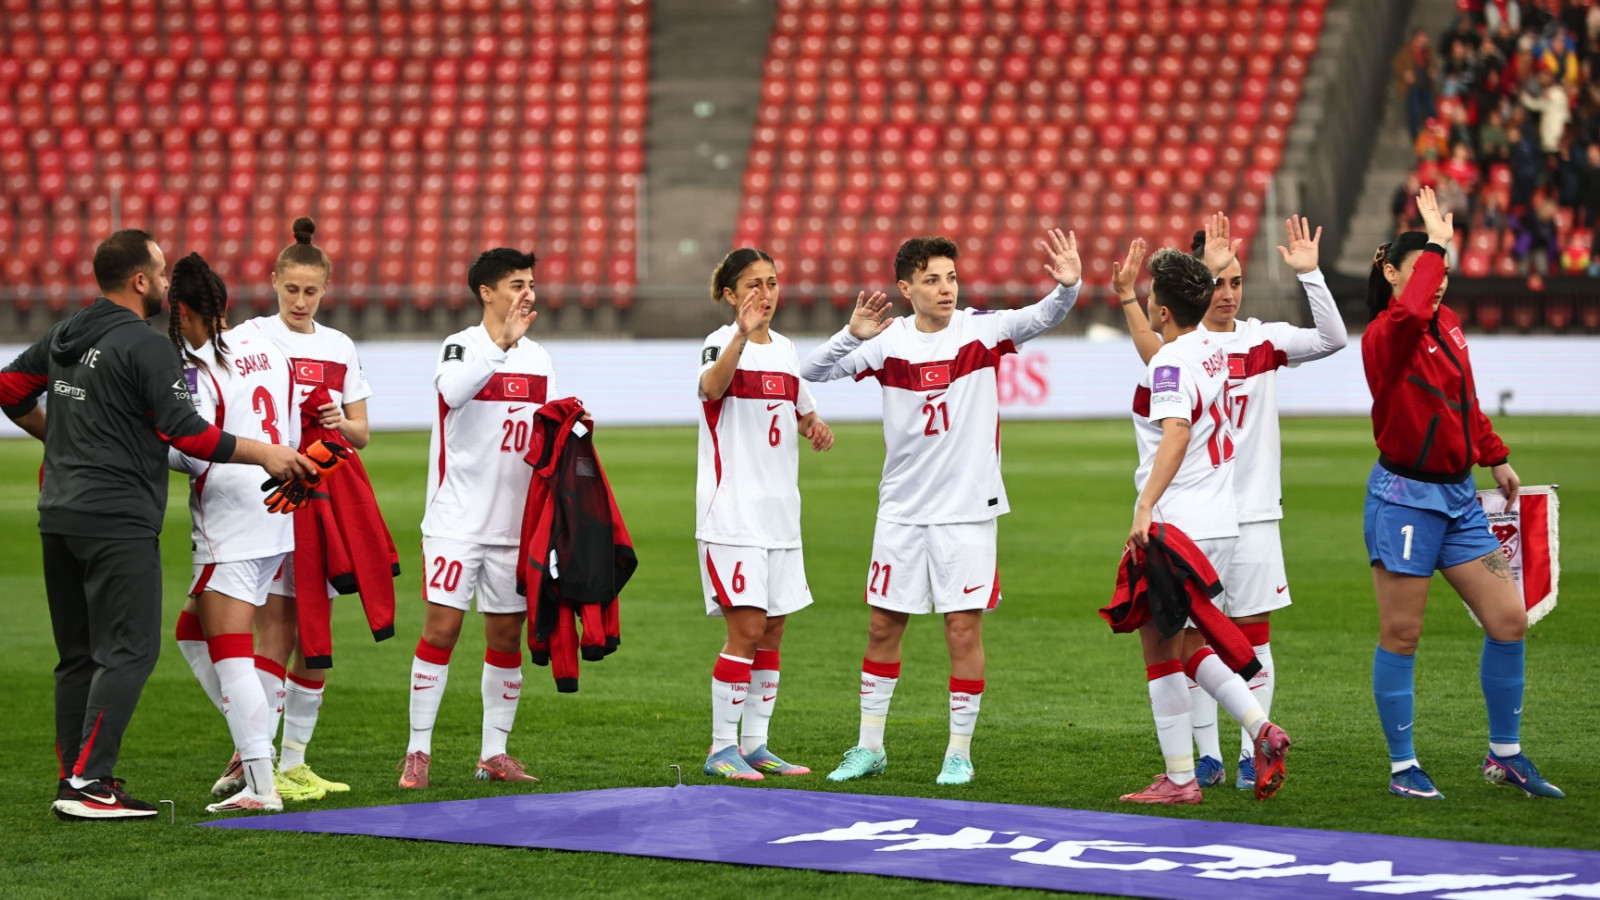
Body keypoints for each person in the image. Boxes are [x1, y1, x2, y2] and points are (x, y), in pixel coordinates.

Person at [0, 229, 311, 820]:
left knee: (78, 655)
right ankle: (90, 784)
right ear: (140, 281)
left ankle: (76, 775)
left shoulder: (67, 332)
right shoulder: (146, 347)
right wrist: (265, 452)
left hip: (59, 513)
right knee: (131, 650)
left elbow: (10, 388)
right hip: (116, 519)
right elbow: (187, 433)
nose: (168, 285)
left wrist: (59, 440)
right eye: (162, 273)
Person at [801, 230, 1081, 786]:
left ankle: (958, 752)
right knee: (883, 627)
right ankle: (869, 747)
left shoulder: (982, 329)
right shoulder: (888, 341)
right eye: (932, 279)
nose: (946, 288)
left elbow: (1042, 315)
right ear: (906, 287)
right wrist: (848, 335)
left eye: (951, 277)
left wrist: (1068, 286)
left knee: (961, 630)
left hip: (968, 512)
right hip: (901, 510)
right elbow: (812, 372)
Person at [1117, 213, 1346, 791]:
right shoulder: (1209, 353)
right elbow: (1162, 343)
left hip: (1197, 517)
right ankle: (1232, 744)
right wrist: (1129, 297)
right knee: (1202, 640)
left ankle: (1210, 764)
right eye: (1216, 280)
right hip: (1218, 513)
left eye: (1235, 280)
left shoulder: (1212, 350)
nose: (1227, 291)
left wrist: (1144, 507)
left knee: (1176, 645)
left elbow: (1174, 426)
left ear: (1166, 306)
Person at [1362, 186, 1562, 800]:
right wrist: (1440, 244)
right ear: (1392, 273)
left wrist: (1495, 456)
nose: (1438, 278)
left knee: (1507, 620)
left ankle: (1504, 756)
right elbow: (1412, 311)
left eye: (1441, 266)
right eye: (1425, 267)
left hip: (1458, 498)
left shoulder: (1445, 322)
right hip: (1404, 500)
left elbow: (1465, 401)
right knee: (1403, 634)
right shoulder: (1385, 336)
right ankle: (1403, 768)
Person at [194, 217, 373, 803]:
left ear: (326, 289)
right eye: (291, 289)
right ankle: (261, 756)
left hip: (322, 496)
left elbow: (362, 433)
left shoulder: (339, 345)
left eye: (311, 291)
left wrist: (337, 424)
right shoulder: (250, 339)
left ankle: (288, 760)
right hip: (268, 498)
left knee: (313, 632)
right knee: (275, 628)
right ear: (273, 281)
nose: (300, 301)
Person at [401, 248, 551, 789]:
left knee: (507, 638)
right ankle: (418, 751)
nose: (527, 293)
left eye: (530, 283)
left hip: (513, 528)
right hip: (456, 522)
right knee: (441, 631)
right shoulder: (460, 346)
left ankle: (494, 753)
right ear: (487, 293)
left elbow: (544, 435)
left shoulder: (540, 358)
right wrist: (502, 344)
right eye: (515, 284)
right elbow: (453, 391)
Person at [163, 253, 300, 812]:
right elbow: (286, 423)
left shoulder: (197, 366)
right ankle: (255, 744)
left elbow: (190, 453)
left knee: (228, 652)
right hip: (276, 511)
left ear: (185, 311)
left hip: (229, 522)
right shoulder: (268, 347)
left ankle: (261, 784)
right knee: (191, 633)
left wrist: (150, 444)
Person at [696, 248, 834, 781]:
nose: (766, 293)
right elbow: (712, 389)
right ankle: (719, 748)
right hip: (732, 515)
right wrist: (739, 333)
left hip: (781, 515)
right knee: (747, 627)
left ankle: (755, 745)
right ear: (730, 295)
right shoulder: (718, 343)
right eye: (753, 284)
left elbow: (797, 408)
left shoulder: (787, 349)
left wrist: (814, 423)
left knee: (772, 630)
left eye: (772, 282)